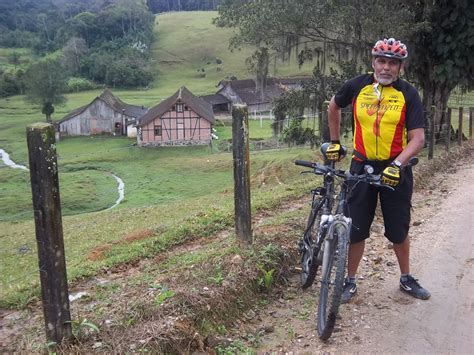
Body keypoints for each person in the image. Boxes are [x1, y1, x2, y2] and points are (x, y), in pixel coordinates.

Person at [326, 37, 430, 302]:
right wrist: (335, 142)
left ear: (401, 68)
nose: (386, 67)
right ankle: (349, 281)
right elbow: (333, 106)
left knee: (399, 229)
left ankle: (406, 278)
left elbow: (418, 138)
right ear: (373, 62)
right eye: (381, 61)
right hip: (361, 164)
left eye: (393, 63)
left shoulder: (408, 93)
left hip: (396, 168)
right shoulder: (358, 85)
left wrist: (397, 164)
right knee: (356, 227)